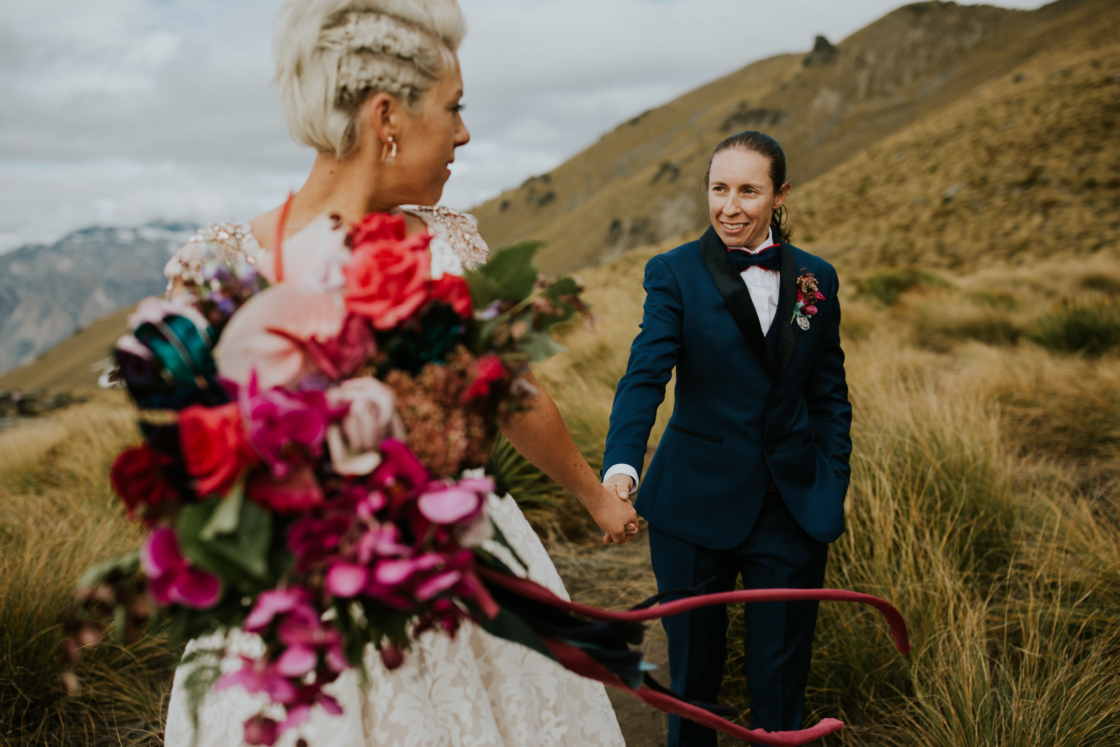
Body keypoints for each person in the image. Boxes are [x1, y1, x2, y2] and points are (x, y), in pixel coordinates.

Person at [162, 1, 635, 744]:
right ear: (387, 117)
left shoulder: (450, 245)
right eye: (454, 108)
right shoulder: (219, 273)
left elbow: (516, 395)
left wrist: (595, 497)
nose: (464, 133)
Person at [601, 130, 852, 746]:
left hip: (792, 508)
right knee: (691, 685)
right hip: (693, 505)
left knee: (782, 684)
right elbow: (645, 376)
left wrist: (831, 478)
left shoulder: (817, 279)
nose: (730, 207)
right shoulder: (674, 272)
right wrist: (621, 469)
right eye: (719, 189)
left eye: (747, 191)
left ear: (780, 195)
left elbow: (829, 396)